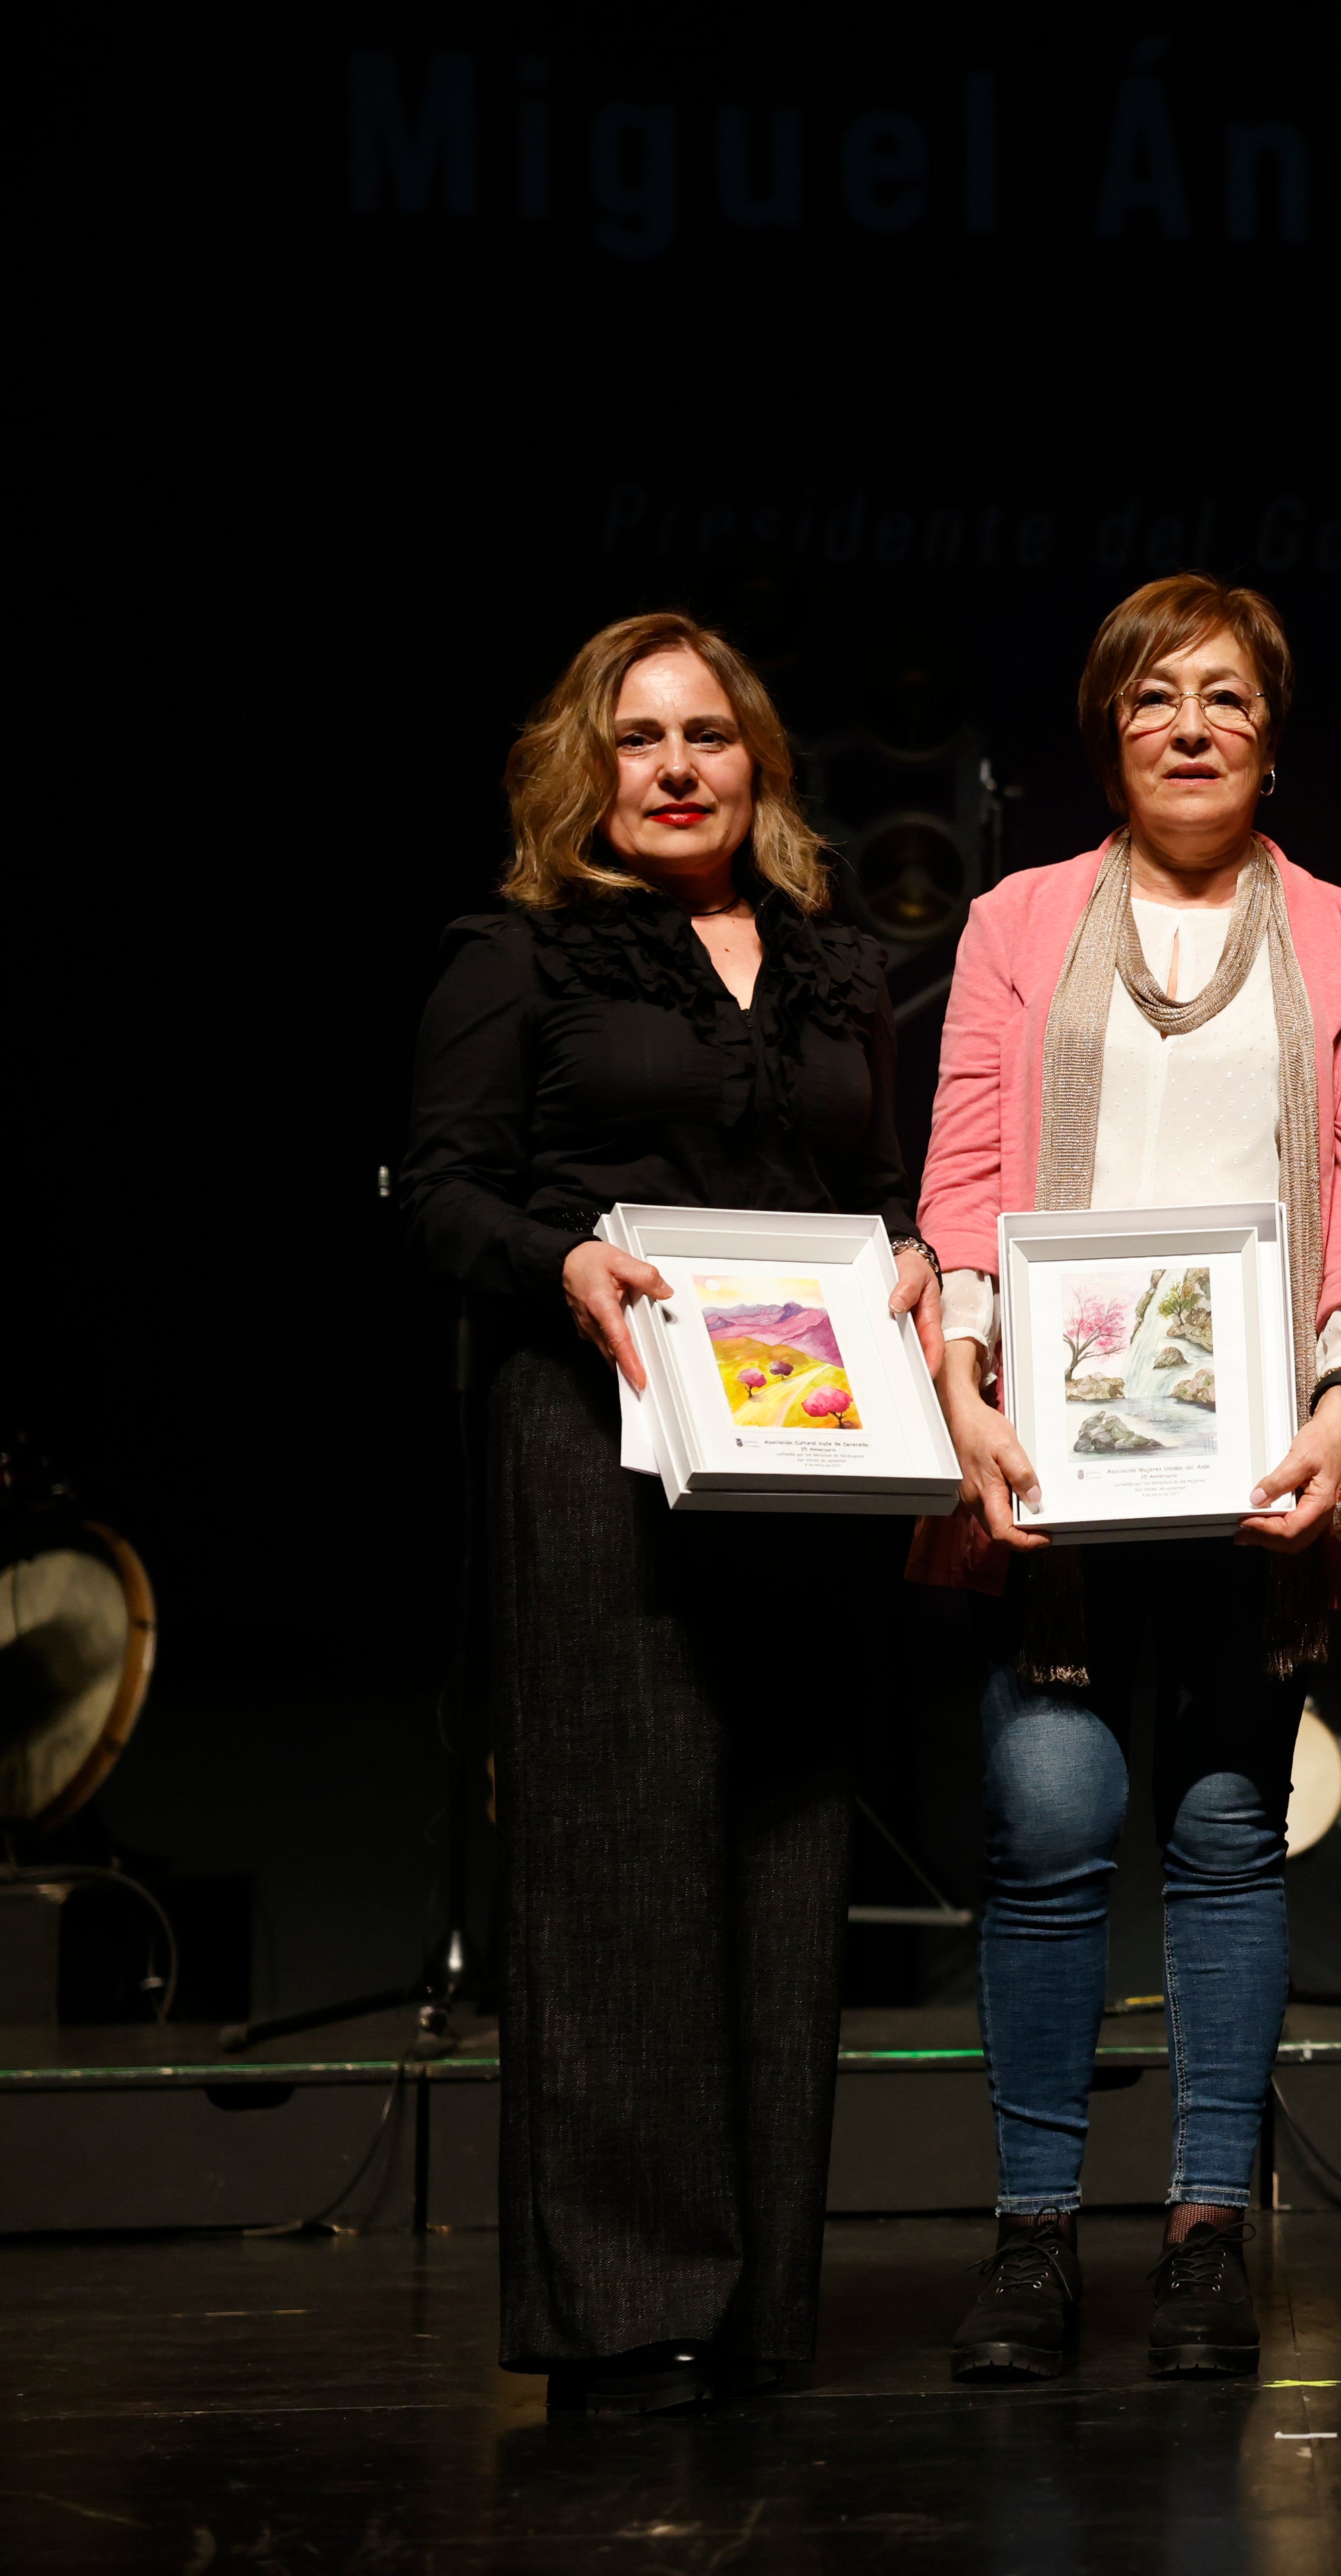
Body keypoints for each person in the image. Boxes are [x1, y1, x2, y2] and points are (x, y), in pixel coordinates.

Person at [401, 612, 939, 2417]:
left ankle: (755, 2302)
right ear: (591, 769)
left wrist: (919, 1267)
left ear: (759, 765)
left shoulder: (835, 966)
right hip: (597, 1436)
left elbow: (874, 1191)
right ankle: (627, 2316)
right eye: (640, 740)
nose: (678, 767)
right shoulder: (523, 952)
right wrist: (559, 1262)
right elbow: (445, 1192)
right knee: (621, 1868)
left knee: (787, 1863)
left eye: (709, 735)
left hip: (812, 1453)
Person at [918, 575, 1341, 2384]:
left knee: (1223, 1837)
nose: (1189, 724)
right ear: (1107, 733)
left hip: (1261, 1457)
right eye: (1151, 698)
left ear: (1273, 733)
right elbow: (967, 1162)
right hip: (1050, 1464)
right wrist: (969, 1388)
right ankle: (1036, 2238)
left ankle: (1208, 2226)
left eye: (1222, 697)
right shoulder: (1018, 921)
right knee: (1047, 1832)